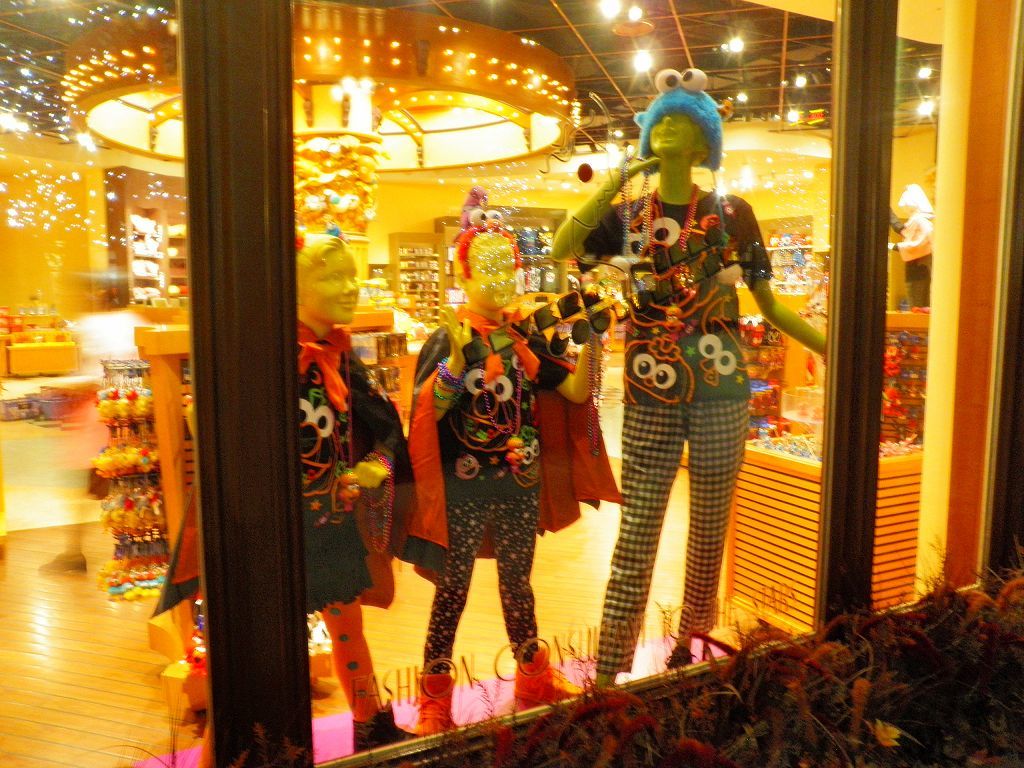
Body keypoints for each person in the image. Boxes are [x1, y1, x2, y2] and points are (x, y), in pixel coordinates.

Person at [549, 67, 825, 684]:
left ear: (705, 141)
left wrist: (834, 348)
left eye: (684, 119)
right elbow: (564, 245)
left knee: (708, 530)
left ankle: (691, 650)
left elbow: (769, 303)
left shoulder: (732, 212)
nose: (669, 125)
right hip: (649, 389)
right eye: (661, 118)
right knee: (636, 534)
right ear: (649, 134)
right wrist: (618, 177)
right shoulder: (630, 214)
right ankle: (608, 672)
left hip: (723, 390)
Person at [402, 207, 620, 733]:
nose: (501, 278)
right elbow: (426, 412)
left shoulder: (525, 339)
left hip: (520, 483)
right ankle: (435, 695)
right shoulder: (448, 339)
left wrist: (593, 340)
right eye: (489, 267)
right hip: (463, 488)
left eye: (508, 267)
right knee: (451, 591)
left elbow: (573, 392)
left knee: (518, 584)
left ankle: (532, 677)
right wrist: (456, 367)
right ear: (463, 275)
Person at [890, 183, 934, 308]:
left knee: (917, 307)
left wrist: (894, 246)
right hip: (917, 268)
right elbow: (904, 231)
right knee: (916, 304)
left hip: (919, 268)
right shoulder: (918, 219)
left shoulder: (920, 220)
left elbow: (920, 243)